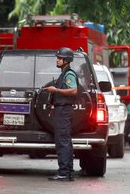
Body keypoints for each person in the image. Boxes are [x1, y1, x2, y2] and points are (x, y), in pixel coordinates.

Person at [44, 47, 78, 181]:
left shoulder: (69, 74)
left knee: (62, 142)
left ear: (66, 60)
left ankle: (63, 172)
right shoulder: (63, 73)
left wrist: (55, 90)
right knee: (65, 141)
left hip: (63, 111)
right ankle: (68, 172)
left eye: (59, 58)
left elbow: (74, 90)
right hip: (62, 110)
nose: (57, 60)